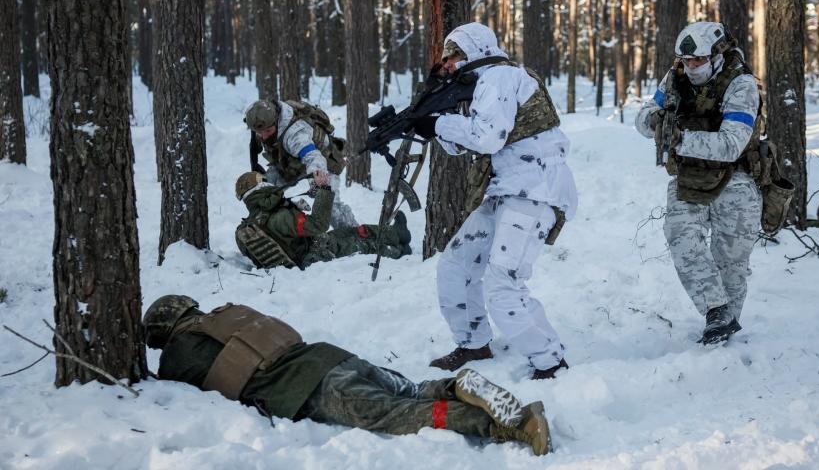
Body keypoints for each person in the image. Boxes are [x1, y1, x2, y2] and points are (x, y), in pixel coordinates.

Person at [143, 295, 551, 455]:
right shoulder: (229, 313)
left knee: (398, 415)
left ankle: (505, 428)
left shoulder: (181, 351)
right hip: (332, 357)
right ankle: (457, 385)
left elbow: (177, 394)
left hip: (313, 388)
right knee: (409, 390)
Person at [410, 22, 577, 380]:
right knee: (455, 265)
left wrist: (438, 125)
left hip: (534, 190)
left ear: (476, 51)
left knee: (503, 284)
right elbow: (468, 142)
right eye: (447, 56)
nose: (450, 64)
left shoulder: (499, 76)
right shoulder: (487, 84)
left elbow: (487, 138)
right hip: (504, 190)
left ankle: (551, 361)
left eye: (455, 55)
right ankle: (473, 343)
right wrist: (431, 124)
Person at [634, 21, 762, 345]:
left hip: (737, 176)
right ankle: (715, 311)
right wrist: (654, 121)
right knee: (680, 234)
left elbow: (732, 143)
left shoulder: (741, 83)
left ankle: (725, 331)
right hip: (690, 176)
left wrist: (679, 139)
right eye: (686, 61)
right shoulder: (675, 77)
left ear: (717, 55)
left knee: (731, 261)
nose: (691, 67)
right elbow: (647, 113)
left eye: (698, 61)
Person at [234, 170, 412, 269]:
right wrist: (325, 190)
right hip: (315, 255)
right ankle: (399, 251)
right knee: (359, 243)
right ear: (262, 187)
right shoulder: (279, 216)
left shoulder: (247, 227)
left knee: (348, 231)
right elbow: (318, 225)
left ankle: (396, 234)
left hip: (305, 252)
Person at [244, 99, 356, 228]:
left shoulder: (295, 135)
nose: (263, 137)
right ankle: (267, 230)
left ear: (276, 121)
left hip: (323, 163)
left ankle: (357, 235)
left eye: (268, 131)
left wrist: (318, 182)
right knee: (263, 192)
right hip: (289, 164)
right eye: (259, 133)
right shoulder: (260, 119)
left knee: (329, 207)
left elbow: (313, 157)